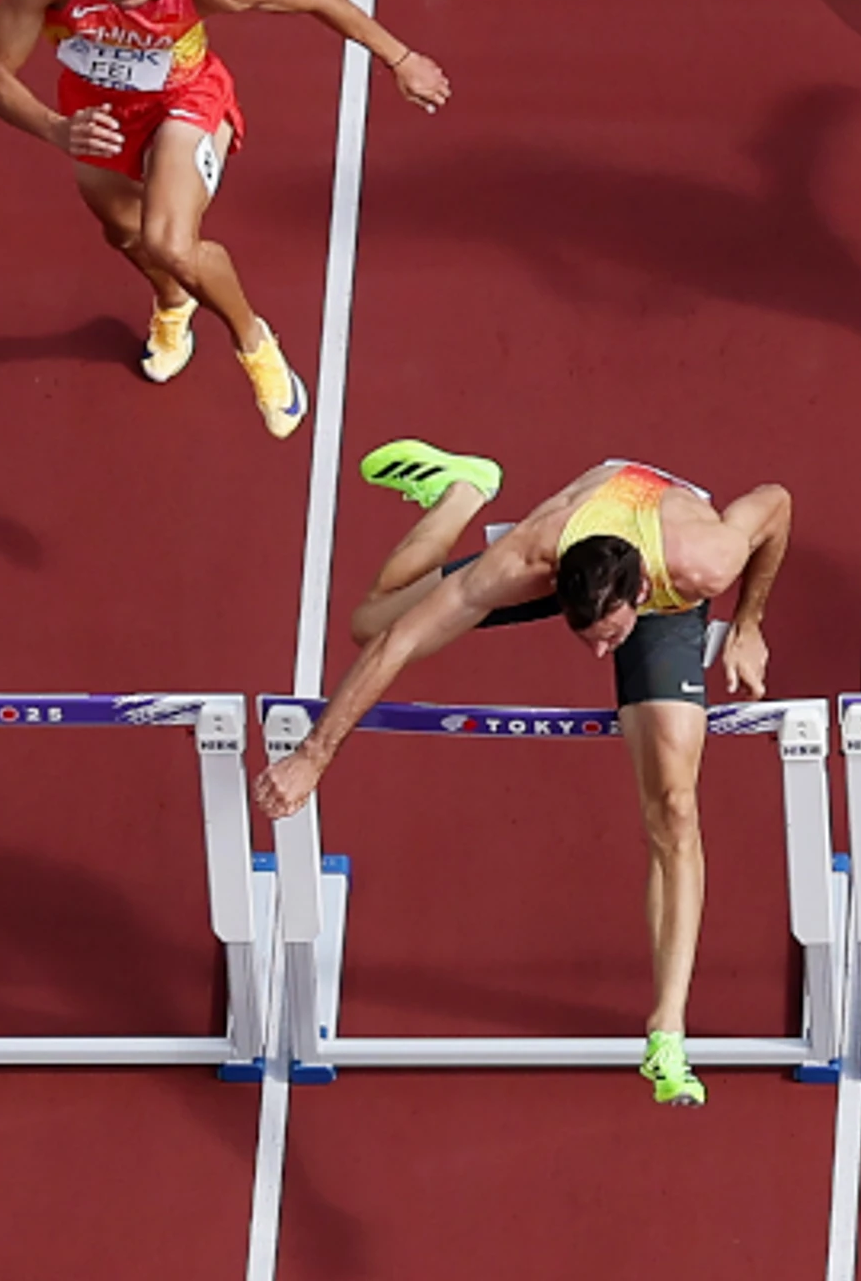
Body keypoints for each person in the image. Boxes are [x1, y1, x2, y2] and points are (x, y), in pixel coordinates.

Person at [252, 441, 795, 1108]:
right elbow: (396, 643)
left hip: (662, 557)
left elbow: (775, 503)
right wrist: (315, 753)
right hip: (574, 534)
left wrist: (749, 622)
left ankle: (667, 1028)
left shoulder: (705, 559)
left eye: (609, 636)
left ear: (639, 596)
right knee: (373, 621)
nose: (597, 652)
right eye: (584, 636)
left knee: (675, 808)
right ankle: (464, 489)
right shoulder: (529, 559)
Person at [0, 0, 450, 434]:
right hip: (95, 114)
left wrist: (400, 58)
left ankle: (255, 344)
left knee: (167, 241)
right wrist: (56, 130)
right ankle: (174, 305)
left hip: (186, 100)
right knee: (121, 232)